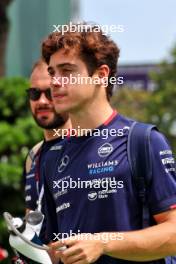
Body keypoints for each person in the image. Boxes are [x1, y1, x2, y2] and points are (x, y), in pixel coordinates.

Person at [41, 23, 176, 263]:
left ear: (101, 75)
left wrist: (103, 244)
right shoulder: (51, 157)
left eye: (67, 71)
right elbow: (53, 248)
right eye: (52, 72)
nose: (55, 82)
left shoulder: (144, 142)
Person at [24, 59, 71, 241]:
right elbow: (32, 222)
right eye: (35, 93)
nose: (42, 101)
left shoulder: (86, 147)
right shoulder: (32, 156)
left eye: (50, 92)